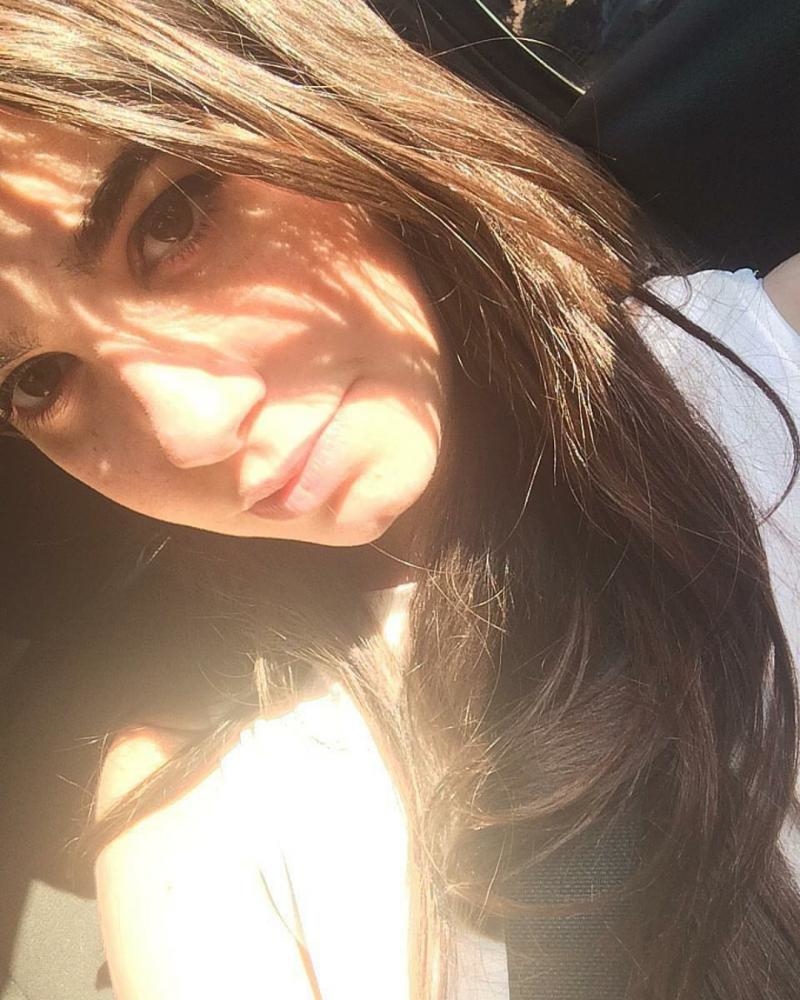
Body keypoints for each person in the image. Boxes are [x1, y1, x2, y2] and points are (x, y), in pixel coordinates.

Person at [0, 2, 797, 998]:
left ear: (315, 103)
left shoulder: (761, 359)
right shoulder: (199, 812)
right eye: (38, 382)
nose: (191, 429)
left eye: (172, 218)